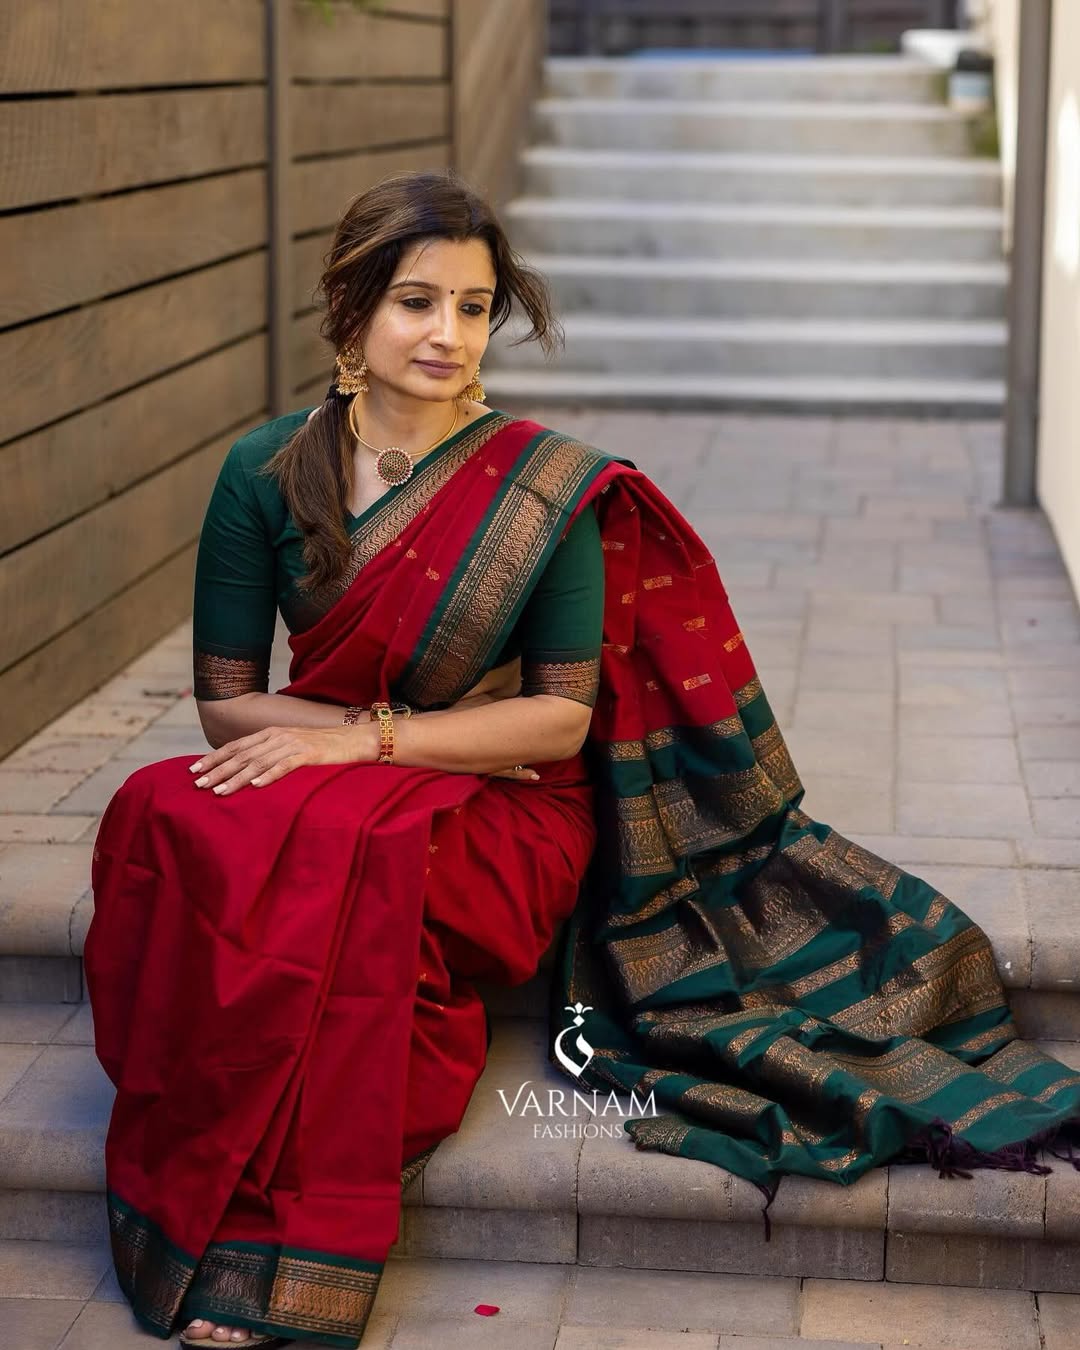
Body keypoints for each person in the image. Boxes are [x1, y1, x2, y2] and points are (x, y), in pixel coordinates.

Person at [84, 170, 1080, 1349]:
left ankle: (285, 1234)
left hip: (510, 816)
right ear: (349, 315)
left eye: (471, 305)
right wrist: (346, 751)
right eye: (415, 303)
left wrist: (364, 743)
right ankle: (207, 1162)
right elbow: (226, 709)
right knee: (159, 810)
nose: (446, 333)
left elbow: (556, 725)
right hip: (355, 773)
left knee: (344, 858)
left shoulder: (546, 489)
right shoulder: (263, 472)